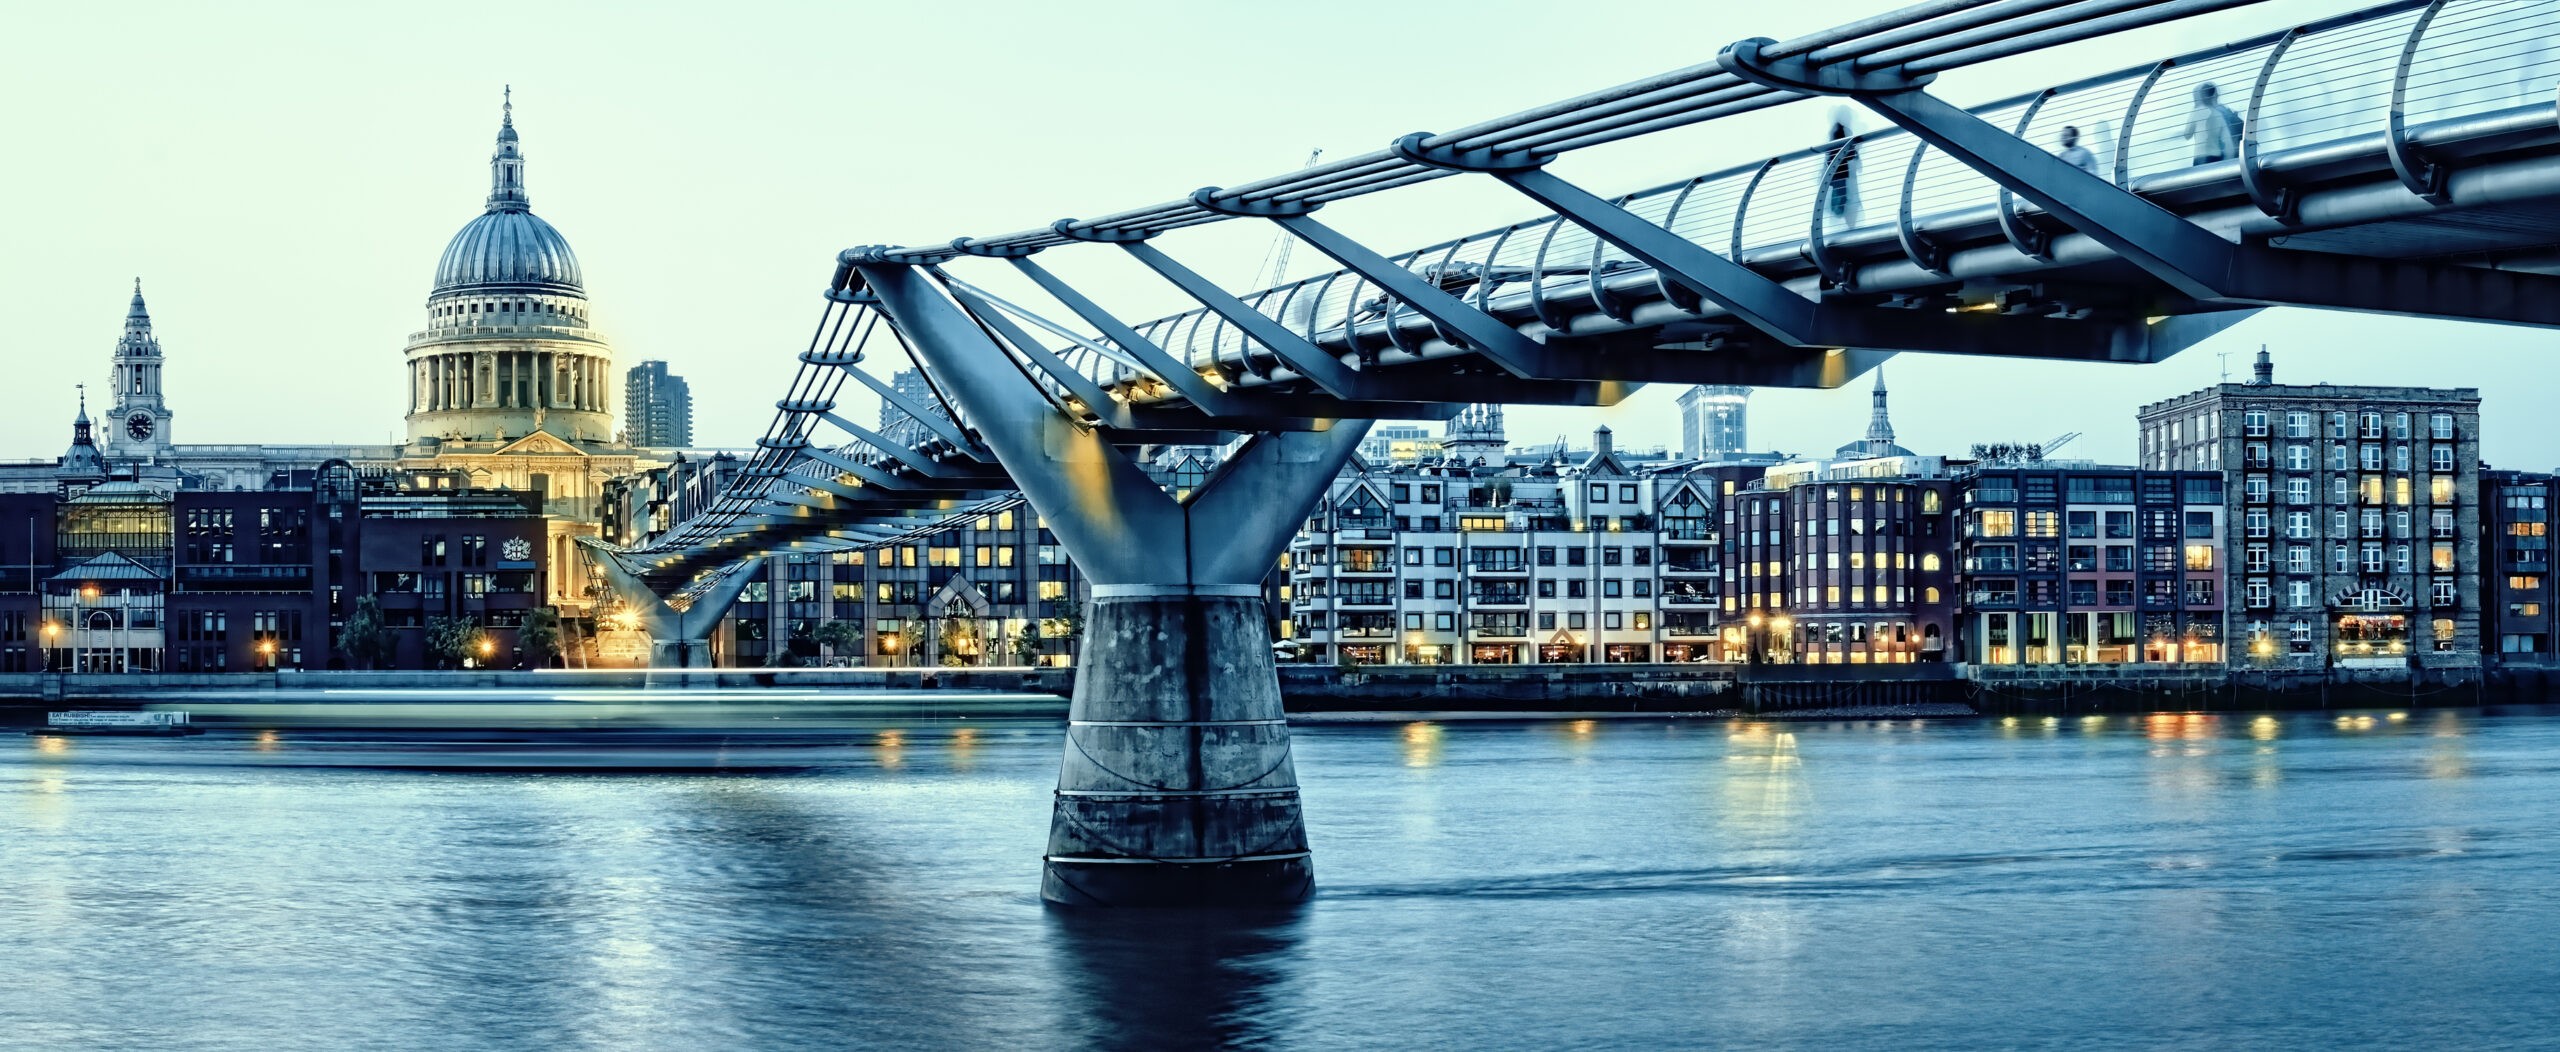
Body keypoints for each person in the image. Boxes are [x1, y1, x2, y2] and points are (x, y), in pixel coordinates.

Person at [1821, 109, 1862, 227]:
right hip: (1841, 173)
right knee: (1844, 199)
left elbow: (1829, 155)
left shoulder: (1833, 131)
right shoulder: (1843, 130)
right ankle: (1849, 226)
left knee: (1840, 199)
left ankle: (1842, 223)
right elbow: (1848, 151)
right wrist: (1856, 154)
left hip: (1835, 174)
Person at [2184, 82, 2241, 165]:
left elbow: (2187, 135)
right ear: (2214, 96)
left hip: (2200, 157)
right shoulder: (2219, 114)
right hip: (2216, 157)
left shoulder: (2196, 112)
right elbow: (2228, 142)